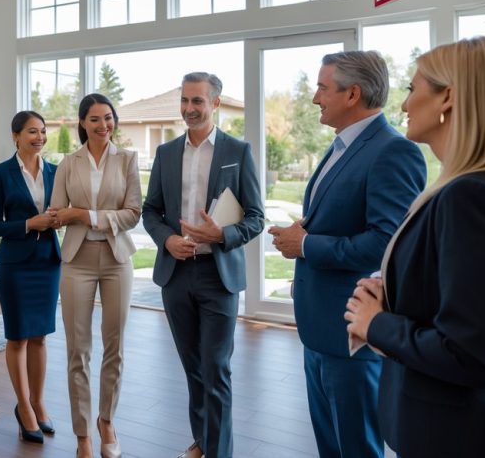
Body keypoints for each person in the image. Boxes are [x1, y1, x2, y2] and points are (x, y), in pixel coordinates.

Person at [345, 37, 485, 458]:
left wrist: (376, 322)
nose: (403, 105)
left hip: (461, 436)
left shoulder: (470, 198)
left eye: (412, 89)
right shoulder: (475, 191)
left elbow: (473, 356)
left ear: (448, 97)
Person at [267, 50, 426, 458]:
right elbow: (345, 218)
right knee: (331, 448)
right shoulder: (341, 146)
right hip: (320, 329)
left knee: (358, 449)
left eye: (322, 88)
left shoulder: (392, 150)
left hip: (352, 331)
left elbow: (387, 242)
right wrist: (307, 229)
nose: (316, 98)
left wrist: (305, 245)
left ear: (353, 93)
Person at [141, 72, 264, 458]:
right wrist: (167, 239)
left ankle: (218, 452)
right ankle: (204, 443)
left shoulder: (237, 152)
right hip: (176, 275)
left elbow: (256, 217)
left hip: (218, 276)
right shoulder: (165, 153)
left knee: (216, 370)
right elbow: (151, 211)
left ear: (216, 103)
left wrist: (221, 237)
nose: (189, 109)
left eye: (198, 101)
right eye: (185, 100)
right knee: (193, 369)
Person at [49, 93, 141, 458]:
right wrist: (75, 215)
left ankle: (107, 421)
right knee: (78, 350)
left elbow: (133, 213)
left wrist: (86, 215)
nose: (103, 126)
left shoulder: (128, 160)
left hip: (118, 258)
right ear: (82, 123)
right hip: (77, 259)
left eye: (108, 118)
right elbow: (57, 214)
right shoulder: (68, 164)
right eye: (95, 120)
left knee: (114, 348)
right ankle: (83, 433)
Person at [0, 110, 61, 444]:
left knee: (41, 336)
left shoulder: (56, 172)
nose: (40, 137)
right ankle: (24, 407)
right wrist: (29, 224)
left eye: (43, 131)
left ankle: (38, 401)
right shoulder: (1, 173)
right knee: (17, 337)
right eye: (33, 131)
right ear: (16, 135)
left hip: (48, 261)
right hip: (16, 264)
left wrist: (57, 220)